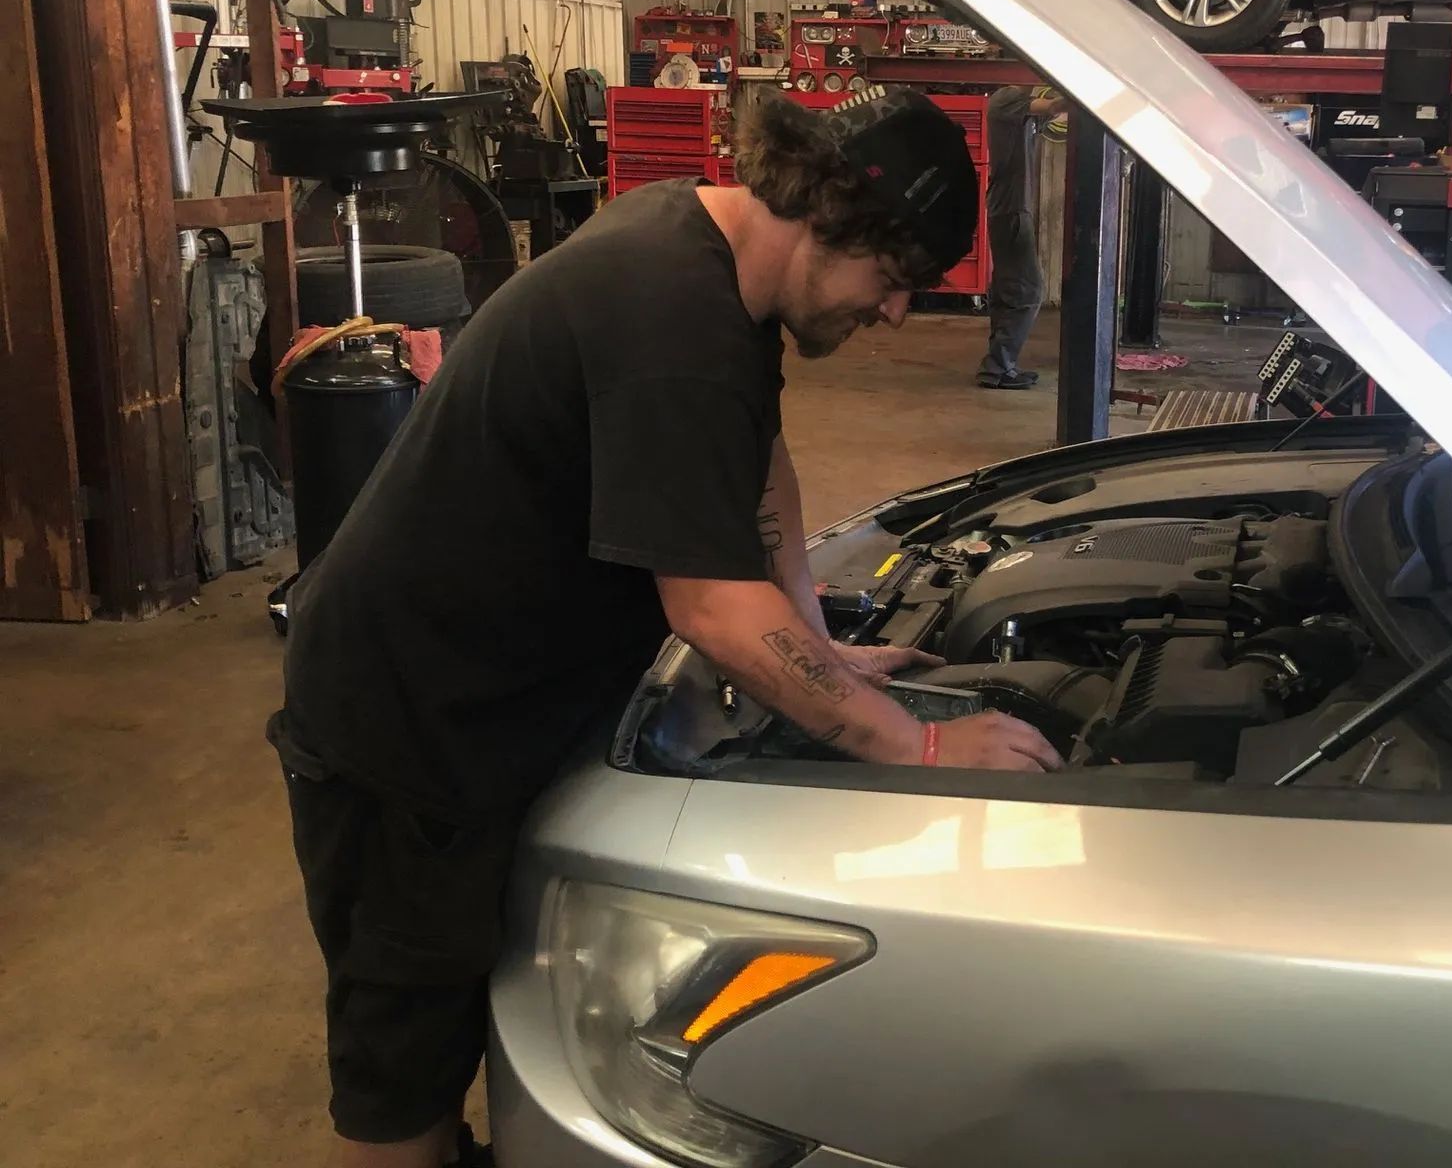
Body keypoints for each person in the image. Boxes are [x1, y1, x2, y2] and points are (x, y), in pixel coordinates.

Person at [268, 86, 1064, 1168]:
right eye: (895, 280)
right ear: (828, 220)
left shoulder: (700, 243)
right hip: (407, 725)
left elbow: (755, 465)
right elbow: (710, 608)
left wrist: (819, 646)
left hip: (490, 696)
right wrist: (913, 742)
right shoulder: (670, 320)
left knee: (472, 991)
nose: (893, 315)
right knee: (400, 1057)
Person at [976, 84, 1061, 389]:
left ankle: (998, 366)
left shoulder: (1021, 114)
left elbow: (1050, 113)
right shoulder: (1005, 100)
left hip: (1010, 209)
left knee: (1008, 291)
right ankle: (998, 367)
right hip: (1010, 210)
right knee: (1028, 292)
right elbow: (1051, 108)